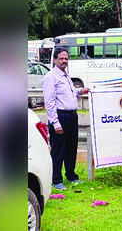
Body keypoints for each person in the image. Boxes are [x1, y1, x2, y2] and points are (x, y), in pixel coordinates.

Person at [43, 48, 90, 190]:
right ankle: (56, 179)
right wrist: (55, 122)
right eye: (61, 58)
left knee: (71, 148)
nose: (64, 61)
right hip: (60, 116)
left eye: (66, 58)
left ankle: (71, 175)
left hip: (71, 116)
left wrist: (80, 91)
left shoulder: (65, 75)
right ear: (55, 59)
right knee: (58, 149)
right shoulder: (51, 77)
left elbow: (69, 94)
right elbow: (50, 102)